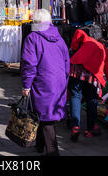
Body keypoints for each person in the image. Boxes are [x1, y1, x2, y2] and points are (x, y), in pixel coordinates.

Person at [21, 9, 70, 156]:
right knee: (44, 114)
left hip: (43, 82)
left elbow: (29, 64)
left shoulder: (33, 38)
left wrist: (26, 85)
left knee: (47, 119)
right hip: (59, 82)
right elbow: (67, 61)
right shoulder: (59, 38)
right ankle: (40, 146)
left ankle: (52, 152)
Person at [68, 29, 108, 141]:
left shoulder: (85, 40)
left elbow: (78, 32)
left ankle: (75, 127)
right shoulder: (102, 48)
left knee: (75, 97)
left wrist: (73, 48)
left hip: (76, 69)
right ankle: (90, 128)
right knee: (91, 100)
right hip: (91, 76)